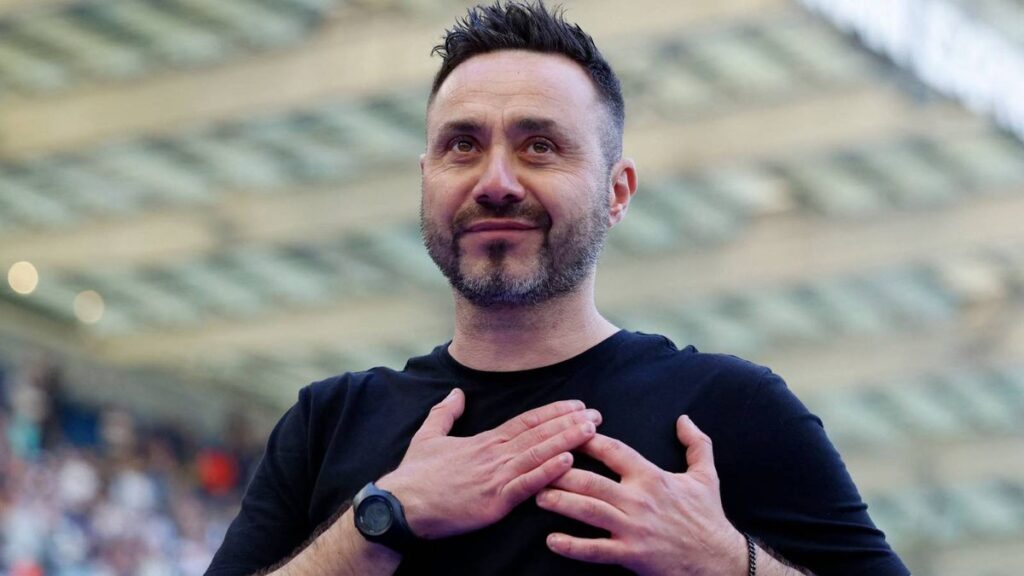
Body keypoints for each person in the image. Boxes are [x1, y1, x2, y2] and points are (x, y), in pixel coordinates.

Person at [206, 2, 910, 575]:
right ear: (426, 179)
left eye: (540, 145)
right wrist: (381, 519)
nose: (496, 181)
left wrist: (725, 561)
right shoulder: (328, 423)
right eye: (462, 145)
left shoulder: (729, 411)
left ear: (617, 191)